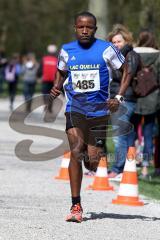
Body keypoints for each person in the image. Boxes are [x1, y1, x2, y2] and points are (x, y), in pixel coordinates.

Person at [49, 11, 127, 223]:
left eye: (89, 27)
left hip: (100, 111)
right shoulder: (67, 49)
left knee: (92, 161)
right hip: (75, 108)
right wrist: (56, 86)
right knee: (75, 151)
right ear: (75, 28)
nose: (85, 30)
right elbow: (61, 71)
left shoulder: (106, 49)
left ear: (95, 29)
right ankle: (76, 205)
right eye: (81, 27)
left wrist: (118, 97)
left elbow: (127, 69)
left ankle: (90, 159)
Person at [107, 24, 140, 179]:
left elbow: (127, 76)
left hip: (125, 99)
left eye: (119, 41)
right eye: (113, 42)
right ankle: (127, 169)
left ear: (126, 41)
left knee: (118, 135)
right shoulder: (115, 57)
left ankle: (118, 169)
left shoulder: (131, 55)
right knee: (126, 135)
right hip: (118, 98)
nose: (116, 45)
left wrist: (118, 97)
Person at [133, 30, 160, 179]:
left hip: (135, 97)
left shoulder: (133, 54)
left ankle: (129, 165)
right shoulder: (158, 55)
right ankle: (144, 169)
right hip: (153, 99)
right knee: (149, 134)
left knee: (131, 134)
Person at [37, 44, 58, 112]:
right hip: (54, 80)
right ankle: (50, 106)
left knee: (45, 93)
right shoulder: (57, 60)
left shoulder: (44, 59)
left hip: (45, 79)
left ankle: (46, 104)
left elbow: (40, 69)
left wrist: (38, 76)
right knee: (52, 94)